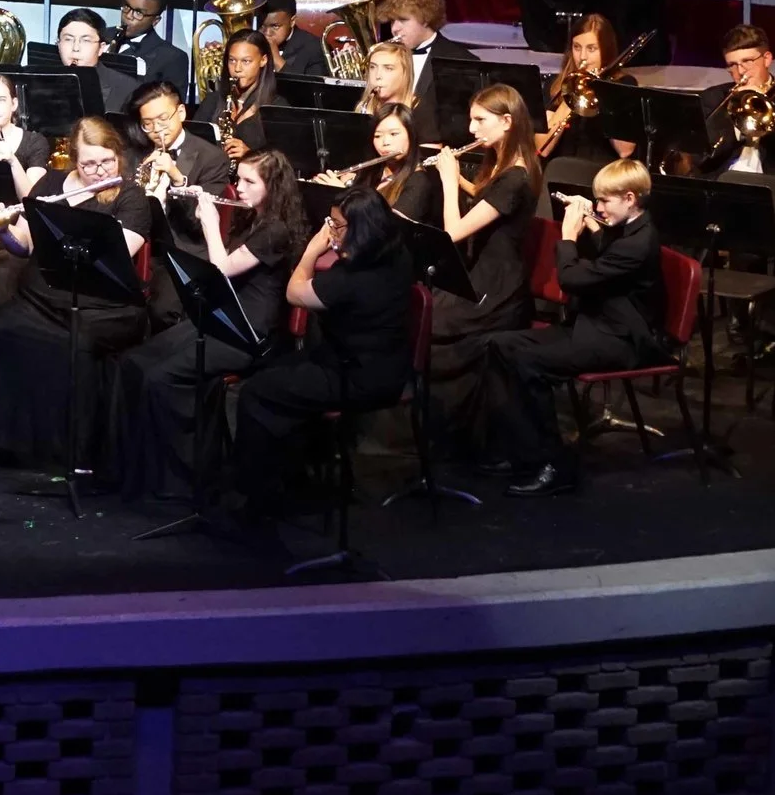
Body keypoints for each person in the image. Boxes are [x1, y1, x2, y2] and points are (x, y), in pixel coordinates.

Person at [0, 116, 154, 474]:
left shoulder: (130, 197)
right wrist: (3, 230)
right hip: (43, 297)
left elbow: (118, 256)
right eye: (89, 163)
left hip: (103, 304)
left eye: (107, 161)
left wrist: (67, 235)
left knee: (72, 346)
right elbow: (23, 246)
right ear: (74, 160)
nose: (99, 171)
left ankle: (72, 450)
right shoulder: (50, 184)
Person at [119, 148, 309, 502]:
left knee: (160, 378)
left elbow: (220, 269)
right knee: (134, 362)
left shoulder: (276, 230)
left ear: (273, 186)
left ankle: (179, 477)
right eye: (239, 179)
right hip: (222, 318)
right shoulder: (252, 219)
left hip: (248, 333)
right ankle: (136, 465)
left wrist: (210, 223)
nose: (239, 187)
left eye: (250, 182)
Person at [484, 158, 667, 496]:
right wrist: (594, 225)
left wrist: (568, 236)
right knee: (499, 345)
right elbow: (606, 253)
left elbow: (572, 279)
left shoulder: (638, 243)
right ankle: (521, 451)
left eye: (605, 201)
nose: (599, 208)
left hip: (622, 340)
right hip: (596, 326)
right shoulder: (628, 227)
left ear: (630, 198)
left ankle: (554, 465)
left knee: (528, 363)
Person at [226, 187, 417, 508]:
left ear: (361, 228)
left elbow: (295, 293)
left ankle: (255, 494)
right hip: (382, 363)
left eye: (337, 225)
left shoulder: (352, 278)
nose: (331, 231)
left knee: (257, 392)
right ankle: (294, 474)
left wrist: (312, 250)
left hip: (360, 376)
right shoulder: (397, 254)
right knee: (275, 370)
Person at [423, 84, 542, 459]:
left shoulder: (515, 177)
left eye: (480, 120)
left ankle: (456, 435)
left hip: (497, 291)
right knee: (424, 309)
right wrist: (459, 177)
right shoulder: (507, 167)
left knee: (431, 324)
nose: (471, 129)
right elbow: (484, 197)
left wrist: (447, 180)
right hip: (483, 276)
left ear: (507, 121)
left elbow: (453, 233)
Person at [131, 79, 234, 321]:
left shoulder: (212, 159)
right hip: (137, 242)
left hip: (181, 249)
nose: (157, 129)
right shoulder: (136, 150)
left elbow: (199, 223)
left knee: (162, 310)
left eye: (163, 119)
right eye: (148, 124)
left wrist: (177, 177)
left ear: (181, 113)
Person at [373, 0, 476, 147]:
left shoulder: (460, 61)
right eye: (392, 21)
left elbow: (461, 127)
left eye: (403, 20)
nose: (395, 28)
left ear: (426, 18)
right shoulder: (385, 55)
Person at [695, 25, 775, 177]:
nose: (740, 71)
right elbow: (702, 158)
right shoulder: (713, 97)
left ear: (766, 59)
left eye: (747, 61)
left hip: (774, 183)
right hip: (725, 180)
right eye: (732, 65)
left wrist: (767, 107)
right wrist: (737, 120)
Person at [538, 14, 640, 164]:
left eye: (591, 49)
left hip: (603, 172)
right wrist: (570, 94)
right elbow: (543, 148)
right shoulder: (554, 85)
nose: (582, 57)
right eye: (577, 47)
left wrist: (602, 91)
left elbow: (625, 150)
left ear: (605, 50)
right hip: (561, 169)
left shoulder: (624, 84)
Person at [315, 104, 440, 224]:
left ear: (411, 135)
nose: (385, 142)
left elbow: (388, 228)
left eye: (394, 134)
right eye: (378, 136)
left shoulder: (419, 181)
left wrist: (344, 194)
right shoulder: (371, 171)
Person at [195, 32, 278, 161]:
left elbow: (283, 163)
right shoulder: (212, 101)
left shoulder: (276, 107)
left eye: (246, 61)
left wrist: (250, 155)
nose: (237, 68)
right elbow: (192, 144)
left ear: (263, 60)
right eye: (232, 60)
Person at [105, 0, 192, 94]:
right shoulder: (101, 35)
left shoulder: (172, 57)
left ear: (155, 21)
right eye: (127, 7)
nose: (128, 16)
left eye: (138, 13)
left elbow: (171, 102)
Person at [55, 8, 139, 113]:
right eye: (68, 39)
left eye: (86, 40)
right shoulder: (41, 82)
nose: (75, 48)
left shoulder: (129, 89)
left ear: (101, 48)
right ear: (58, 44)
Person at [256, 0, 332, 79]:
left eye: (275, 26)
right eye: (261, 26)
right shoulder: (253, 42)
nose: (267, 33)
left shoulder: (316, 49)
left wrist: (276, 59)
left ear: (292, 21)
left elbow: (312, 87)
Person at [357, 41, 419, 120]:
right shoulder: (363, 107)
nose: (378, 76)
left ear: (405, 73)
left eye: (388, 68)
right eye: (372, 67)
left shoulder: (421, 110)